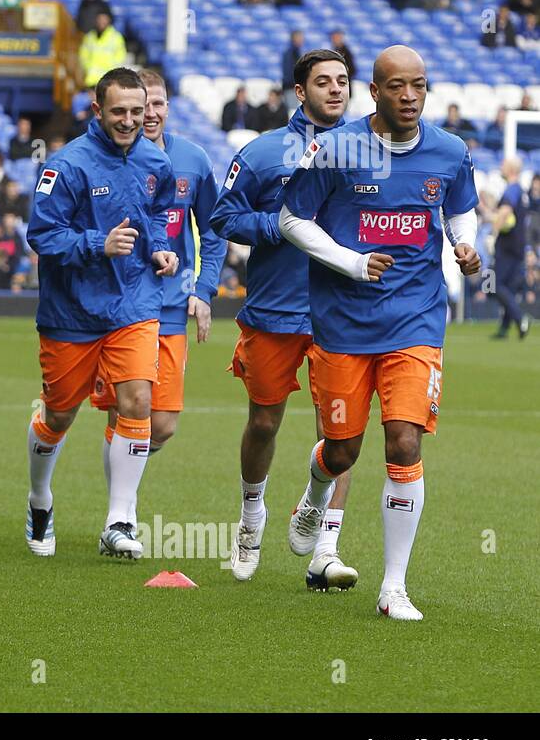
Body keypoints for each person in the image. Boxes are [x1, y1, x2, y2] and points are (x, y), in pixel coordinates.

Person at [279, 44, 481, 621]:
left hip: (416, 320)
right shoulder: (336, 152)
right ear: (375, 91)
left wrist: (466, 246)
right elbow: (292, 219)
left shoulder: (450, 151)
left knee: (405, 441)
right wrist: (349, 261)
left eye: (419, 85)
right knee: (342, 449)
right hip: (343, 323)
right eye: (397, 86)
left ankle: (393, 587)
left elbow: (458, 209)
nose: (410, 96)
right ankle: (316, 492)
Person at [210, 48, 354, 585]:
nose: (335, 90)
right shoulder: (264, 152)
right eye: (323, 82)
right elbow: (223, 216)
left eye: (342, 81)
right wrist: (281, 227)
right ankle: (252, 519)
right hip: (274, 308)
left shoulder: (368, 151)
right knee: (264, 421)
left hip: (341, 312)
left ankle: (325, 549)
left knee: (339, 432)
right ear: (300, 91)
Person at [22, 67, 178, 558]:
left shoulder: (157, 161)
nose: (131, 120)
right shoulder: (66, 167)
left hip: (134, 303)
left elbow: (155, 214)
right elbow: (42, 236)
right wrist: (97, 243)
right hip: (71, 312)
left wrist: (159, 249)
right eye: (120, 112)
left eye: (138, 110)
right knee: (60, 414)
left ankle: (120, 521)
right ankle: (39, 498)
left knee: (137, 401)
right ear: (97, 110)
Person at [87, 70, 226, 473]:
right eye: (142, 105)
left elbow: (213, 229)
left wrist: (204, 288)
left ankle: (121, 482)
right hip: (118, 304)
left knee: (161, 425)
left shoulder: (192, 161)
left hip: (169, 304)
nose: (150, 113)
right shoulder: (100, 161)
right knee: (125, 412)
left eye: (158, 103)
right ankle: (119, 514)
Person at [491, 156, 531, 340]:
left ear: (511, 169)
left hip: (506, 247)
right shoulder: (522, 192)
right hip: (518, 247)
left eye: (503, 164)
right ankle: (504, 329)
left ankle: (520, 318)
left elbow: (505, 211)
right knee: (508, 288)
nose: (501, 166)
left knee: (495, 285)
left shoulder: (512, 190)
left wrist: (493, 234)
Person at [78, 11, 126, 89]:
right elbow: (83, 55)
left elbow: (121, 57)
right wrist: (88, 68)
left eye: (104, 19)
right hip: (91, 80)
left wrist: (112, 72)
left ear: (109, 21)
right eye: (99, 19)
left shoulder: (116, 37)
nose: (101, 22)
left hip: (109, 81)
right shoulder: (89, 37)